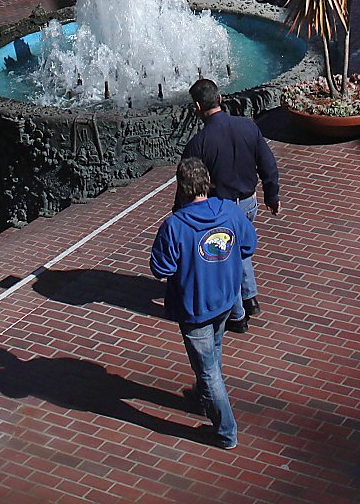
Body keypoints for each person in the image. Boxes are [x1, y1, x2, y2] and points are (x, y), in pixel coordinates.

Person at [150, 157, 254, 450]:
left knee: (208, 370)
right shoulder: (231, 213)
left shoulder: (174, 226)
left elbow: (161, 268)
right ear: (207, 182)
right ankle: (202, 397)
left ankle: (225, 430)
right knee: (213, 352)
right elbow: (248, 246)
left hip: (193, 307)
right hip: (224, 299)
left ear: (181, 187)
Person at [180, 77, 279, 329]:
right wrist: (272, 195)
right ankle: (250, 297)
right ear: (220, 99)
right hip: (248, 203)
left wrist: (180, 214)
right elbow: (268, 164)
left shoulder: (198, 144)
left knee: (225, 259)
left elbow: (189, 185)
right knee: (240, 249)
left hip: (220, 209)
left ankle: (237, 316)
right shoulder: (248, 127)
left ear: (197, 108)